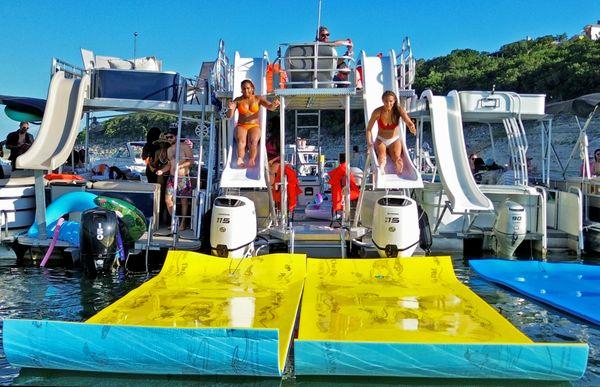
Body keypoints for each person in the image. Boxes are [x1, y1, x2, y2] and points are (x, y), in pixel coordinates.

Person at [227, 79, 280, 168]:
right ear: (241, 90)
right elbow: (229, 116)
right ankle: (240, 158)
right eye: (244, 89)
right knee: (241, 140)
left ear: (252, 88)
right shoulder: (238, 100)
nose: (246, 90)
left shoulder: (258, 98)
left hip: (254, 126)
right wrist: (230, 109)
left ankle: (252, 158)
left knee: (253, 141)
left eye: (248, 88)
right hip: (241, 125)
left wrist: (274, 104)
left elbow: (270, 107)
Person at [365, 90, 416, 174]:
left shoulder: (398, 110)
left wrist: (411, 127)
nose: (388, 104)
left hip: (394, 140)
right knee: (381, 157)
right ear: (382, 101)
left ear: (394, 101)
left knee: (397, 158)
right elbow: (369, 129)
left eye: (391, 101)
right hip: (381, 139)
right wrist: (369, 144)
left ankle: (399, 177)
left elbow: (408, 121)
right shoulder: (377, 112)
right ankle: (381, 172)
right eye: (386, 101)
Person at [156, 126, 194, 231]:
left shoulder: (185, 147)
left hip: (183, 177)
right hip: (172, 177)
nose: (169, 139)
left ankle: (182, 223)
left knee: (183, 201)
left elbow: (191, 161)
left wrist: (181, 166)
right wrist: (162, 171)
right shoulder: (169, 149)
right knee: (168, 200)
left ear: (177, 136)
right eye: (167, 137)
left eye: (171, 137)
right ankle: (174, 221)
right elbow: (169, 164)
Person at [150, 133, 171, 226]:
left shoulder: (170, 151)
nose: (161, 144)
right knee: (160, 195)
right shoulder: (158, 152)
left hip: (168, 173)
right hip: (161, 175)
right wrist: (152, 164)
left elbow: (169, 164)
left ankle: (167, 219)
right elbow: (154, 164)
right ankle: (160, 218)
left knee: (168, 196)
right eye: (160, 143)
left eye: (163, 143)